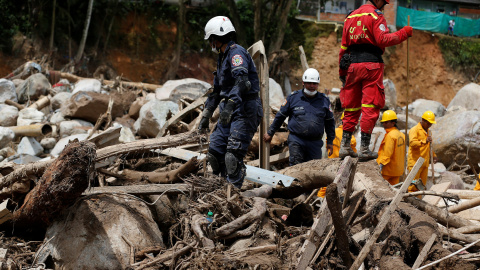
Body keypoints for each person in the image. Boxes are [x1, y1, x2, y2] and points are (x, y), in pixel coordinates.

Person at [338, 0, 413, 161]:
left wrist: (342, 72)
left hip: (351, 66)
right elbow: (383, 40)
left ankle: (344, 146)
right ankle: (364, 148)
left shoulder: (350, 17)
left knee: (351, 107)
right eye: (383, 4)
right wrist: (404, 33)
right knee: (371, 105)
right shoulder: (375, 15)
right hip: (371, 66)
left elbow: (343, 48)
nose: (384, 7)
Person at [198, 16, 263, 189]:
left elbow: (242, 83)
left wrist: (230, 105)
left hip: (245, 109)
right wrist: (207, 113)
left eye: (210, 40)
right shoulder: (222, 57)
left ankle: (231, 194)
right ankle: (219, 188)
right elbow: (217, 90)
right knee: (214, 153)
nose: (210, 44)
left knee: (232, 157)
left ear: (215, 38)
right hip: (231, 107)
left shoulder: (236, 53)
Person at [263, 68, 335, 166]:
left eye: (314, 83)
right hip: (297, 140)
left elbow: (330, 122)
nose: (312, 86)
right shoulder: (293, 98)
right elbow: (280, 116)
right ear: (303, 83)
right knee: (296, 167)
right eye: (309, 83)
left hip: (315, 143)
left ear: (318, 84)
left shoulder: (324, 101)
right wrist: (270, 132)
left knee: (314, 170)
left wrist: (330, 141)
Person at [318, 111, 357, 198]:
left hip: (330, 161)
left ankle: (319, 199)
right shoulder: (351, 137)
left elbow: (327, 145)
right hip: (342, 164)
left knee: (326, 183)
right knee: (340, 183)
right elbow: (354, 154)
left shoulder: (333, 131)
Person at [407, 111, 437, 192]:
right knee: (412, 185)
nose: (430, 125)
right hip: (415, 163)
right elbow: (412, 143)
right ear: (423, 120)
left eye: (431, 124)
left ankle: (418, 202)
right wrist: (424, 141)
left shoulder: (428, 131)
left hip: (424, 163)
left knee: (421, 187)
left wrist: (433, 155)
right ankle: (410, 202)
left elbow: (429, 145)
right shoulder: (414, 130)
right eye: (428, 123)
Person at [376, 110, 405, 185]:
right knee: (393, 191)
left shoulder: (390, 135)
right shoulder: (401, 134)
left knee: (382, 189)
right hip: (397, 170)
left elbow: (388, 153)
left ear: (393, 123)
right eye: (383, 122)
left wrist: (381, 165)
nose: (384, 124)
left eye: (386, 122)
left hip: (388, 170)